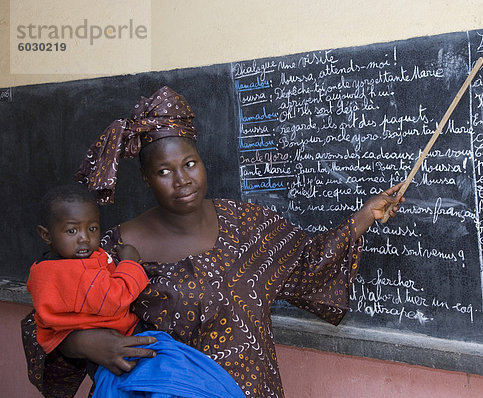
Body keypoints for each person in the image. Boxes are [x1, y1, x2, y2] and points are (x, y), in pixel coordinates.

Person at [21, 86, 405, 398]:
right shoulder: (112, 248)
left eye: (189, 164)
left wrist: (364, 216)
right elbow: (48, 319)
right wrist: (86, 345)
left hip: (250, 389)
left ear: (202, 162)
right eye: (164, 171)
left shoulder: (249, 226)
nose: (182, 180)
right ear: (146, 180)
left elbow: (309, 260)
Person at [26, 184, 148, 354]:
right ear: (46, 235)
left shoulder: (45, 266)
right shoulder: (72, 273)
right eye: (72, 231)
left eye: (92, 229)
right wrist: (130, 263)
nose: (84, 238)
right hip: (115, 340)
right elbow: (116, 299)